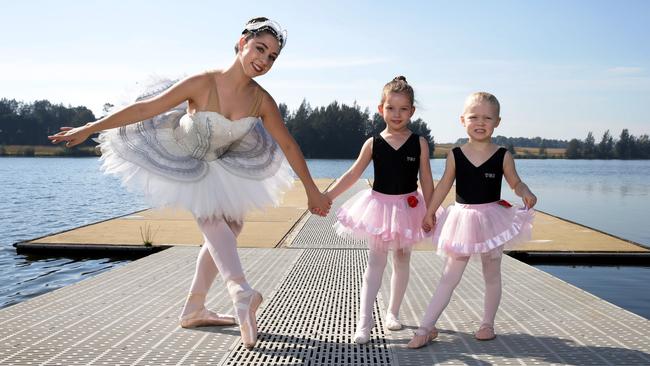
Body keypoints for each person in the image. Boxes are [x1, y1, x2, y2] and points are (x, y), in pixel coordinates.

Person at [48, 17, 331, 350]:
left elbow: (288, 145)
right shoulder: (202, 82)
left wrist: (312, 190)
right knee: (210, 214)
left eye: (272, 57)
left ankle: (194, 308)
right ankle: (240, 290)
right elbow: (145, 107)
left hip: (223, 159)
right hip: (181, 154)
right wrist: (90, 127)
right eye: (260, 48)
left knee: (232, 226)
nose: (264, 60)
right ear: (241, 43)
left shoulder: (262, 101)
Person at [407, 92, 536, 349]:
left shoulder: (502, 155)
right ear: (462, 120)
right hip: (461, 220)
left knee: (492, 273)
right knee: (449, 277)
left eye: (487, 117)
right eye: (474, 116)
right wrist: (430, 212)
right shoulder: (456, 154)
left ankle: (487, 323)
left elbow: (515, 182)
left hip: (492, 219)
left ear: (497, 121)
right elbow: (444, 185)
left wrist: (525, 191)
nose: (480, 122)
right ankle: (425, 327)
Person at [325, 76, 434, 344]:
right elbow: (352, 174)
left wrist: (431, 212)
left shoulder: (418, 142)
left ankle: (392, 313)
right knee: (375, 263)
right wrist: (326, 196)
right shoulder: (373, 142)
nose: (397, 114)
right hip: (379, 207)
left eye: (403, 109)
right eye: (391, 108)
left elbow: (428, 180)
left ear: (412, 111)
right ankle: (364, 321)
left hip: (409, 206)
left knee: (402, 258)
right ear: (380, 109)